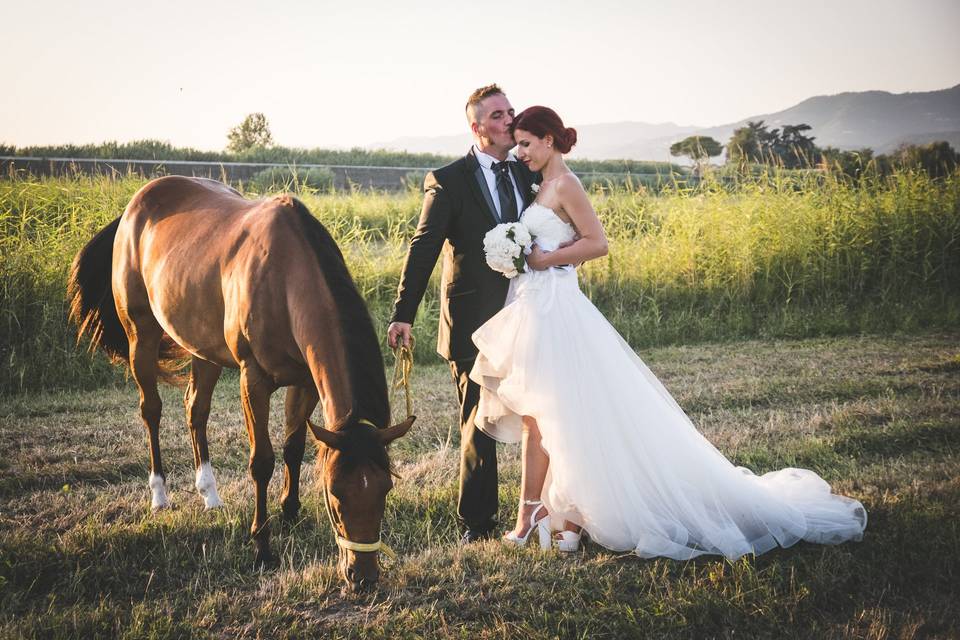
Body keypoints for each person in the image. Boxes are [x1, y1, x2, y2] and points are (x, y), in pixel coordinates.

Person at [469, 106, 867, 558]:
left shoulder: (567, 184)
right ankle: (558, 516)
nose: (519, 152)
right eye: (516, 143)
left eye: (526, 143)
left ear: (549, 140)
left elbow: (597, 243)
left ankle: (547, 518)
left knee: (554, 414)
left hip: (558, 309)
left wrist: (540, 259)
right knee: (545, 415)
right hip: (536, 308)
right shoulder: (541, 187)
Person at [388, 85, 540, 544]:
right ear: (476, 128)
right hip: (472, 319)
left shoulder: (529, 172)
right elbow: (424, 247)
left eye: (511, 112)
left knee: (545, 413)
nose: (510, 121)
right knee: (479, 420)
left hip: (529, 313)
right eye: (498, 116)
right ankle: (477, 524)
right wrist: (403, 313)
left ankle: (547, 510)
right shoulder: (448, 179)